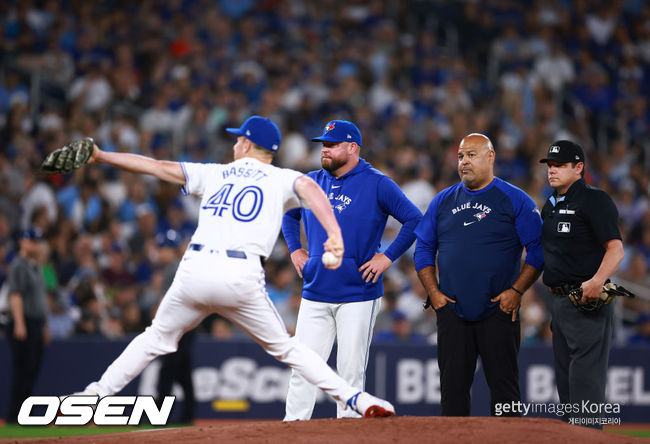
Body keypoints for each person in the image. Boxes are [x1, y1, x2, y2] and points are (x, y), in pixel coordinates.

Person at [57, 116, 395, 418]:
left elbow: (155, 166)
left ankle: (93, 395)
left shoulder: (214, 173)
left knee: (153, 338)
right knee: (289, 349)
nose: (234, 143)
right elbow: (309, 189)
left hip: (194, 269)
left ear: (248, 143)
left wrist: (101, 156)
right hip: (239, 276)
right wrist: (334, 234)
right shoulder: (281, 178)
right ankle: (356, 399)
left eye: (238, 139)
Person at [282, 120, 422, 420]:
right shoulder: (311, 181)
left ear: (353, 148)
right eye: (324, 144)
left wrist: (387, 257)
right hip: (315, 289)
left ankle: (349, 434)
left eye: (332, 144)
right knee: (303, 369)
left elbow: (414, 220)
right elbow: (288, 213)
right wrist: (295, 249)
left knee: (349, 373)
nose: (325, 150)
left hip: (358, 292)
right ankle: (291, 433)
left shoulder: (377, 183)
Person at [414, 133, 544, 416]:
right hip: (452, 312)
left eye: (472, 154)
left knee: (505, 392)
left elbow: (538, 252)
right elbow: (423, 249)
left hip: (499, 311)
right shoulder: (442, 201)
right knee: (452, 393)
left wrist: (517, 291)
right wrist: (434, 293)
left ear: (491, 157)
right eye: (461, 156)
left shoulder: (514, 199)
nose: (464, 162)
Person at [539, 140, 624, 429]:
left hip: (586, 300)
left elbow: (616, 249)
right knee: (565, 382)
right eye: (550, 165)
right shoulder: (549, 204)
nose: (552, 171)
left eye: (559, 165)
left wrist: (598, 280)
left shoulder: (594, 199)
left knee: (585, 381)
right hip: (560, 303)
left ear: (578, 168)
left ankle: (587, 436)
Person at [6, 228, 48, 424]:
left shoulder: (36, 266)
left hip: (36, 323)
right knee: (22, 370)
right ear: (23, 242)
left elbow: (41, 300)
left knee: (32, 370)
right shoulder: (18, 266)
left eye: (37, 241)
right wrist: (20, 323)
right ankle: (14, 415)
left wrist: (45, 325)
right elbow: (15, 295)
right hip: (24, 322)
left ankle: (23, 413)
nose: (36, 244)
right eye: (33, 241)